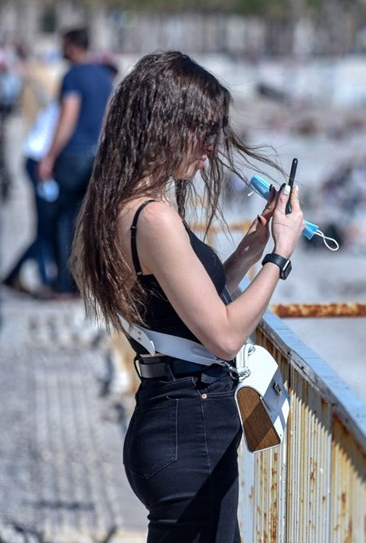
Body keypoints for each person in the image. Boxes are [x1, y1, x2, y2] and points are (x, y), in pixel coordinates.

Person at [71, 51, 305, 541]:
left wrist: (251, 248)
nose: (209, 149)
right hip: (188, 425)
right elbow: (222, 335)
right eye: (204, 131)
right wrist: (280, 255)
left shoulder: (122, 203)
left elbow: (179, 299)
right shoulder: (153, 217)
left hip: (168, 417)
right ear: (166, 125)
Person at [38, 28, 114, 297]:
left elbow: (68, 117)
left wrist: (49, 156)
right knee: (86, 222)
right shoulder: (104, 75)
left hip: (72, 155)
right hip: (95, 153)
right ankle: (84, 284)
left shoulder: (72, 76)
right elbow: (107, 119)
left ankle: (63, 286)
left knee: (63, 220)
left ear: (72, 46)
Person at [2, 45, 60, 293]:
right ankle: (44, 280)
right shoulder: (63, 100)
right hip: (40, 162)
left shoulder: (56, 94)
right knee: (46, 225)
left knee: (47, 225)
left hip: (38, 160)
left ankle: (22, 275)